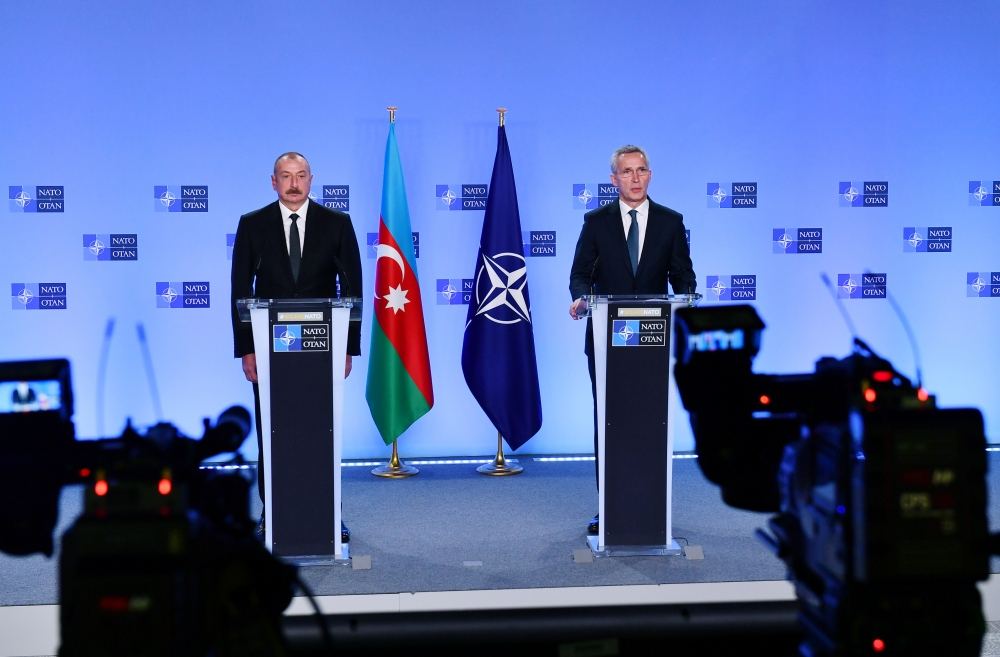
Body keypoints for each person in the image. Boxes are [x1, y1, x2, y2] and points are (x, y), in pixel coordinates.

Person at [230, 151, 362, 542]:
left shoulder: (337, 224)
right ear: (273, 181)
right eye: (285, 176)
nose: (293, 183)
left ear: (311, 180)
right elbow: (240, 291)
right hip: (270, 352)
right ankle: (272, 512)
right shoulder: (253, 225)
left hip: (322, 351)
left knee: (323, 431)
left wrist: (348, 348)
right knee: (273, 432)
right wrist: (247, 350)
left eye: (301, 175)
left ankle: (328, 514)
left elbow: (352, 289)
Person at [568, 144, 696, 535]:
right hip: (608, 342)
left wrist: (687, 298)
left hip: (653, 344)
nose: (636, 178)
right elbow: (580, 275)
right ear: (614, 180)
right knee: (608, 422)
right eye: (627, 172)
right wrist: (580, 298)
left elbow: (683, 276)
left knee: (648, 422)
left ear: (650, 175)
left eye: (642, 170)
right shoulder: (596, 222)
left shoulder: (670, 223)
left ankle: (649, 505)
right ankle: (608, 508)